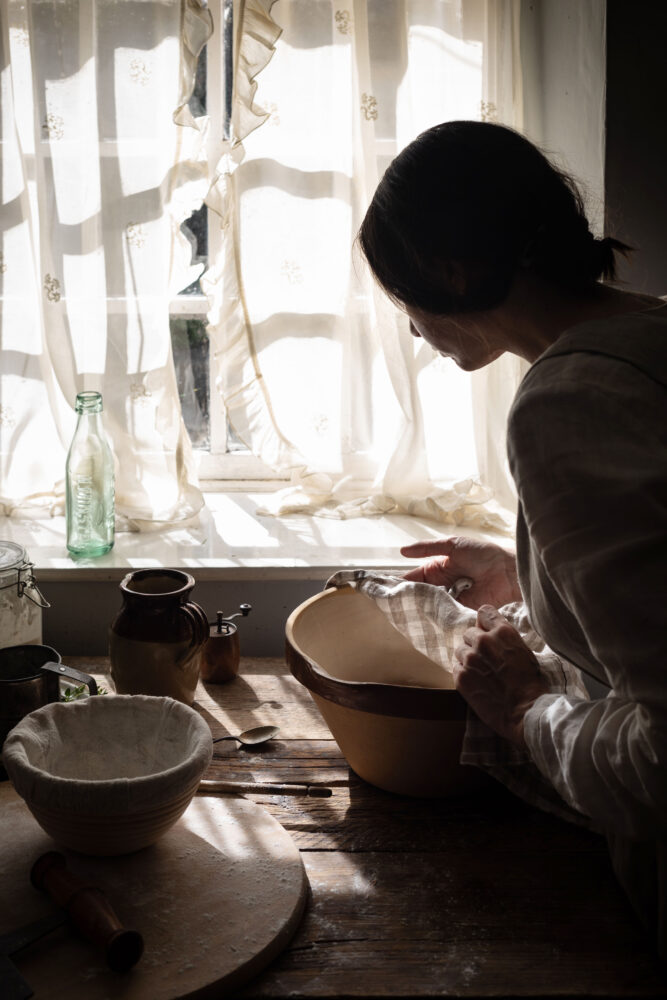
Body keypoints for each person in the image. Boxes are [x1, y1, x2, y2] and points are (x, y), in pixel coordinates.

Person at [357, 120, 667, 952]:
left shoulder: (568, 403)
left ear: (449, 272)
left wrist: (528, 712)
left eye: (403, 297)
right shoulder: (648, 335)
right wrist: (532, 573)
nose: (412, 329)